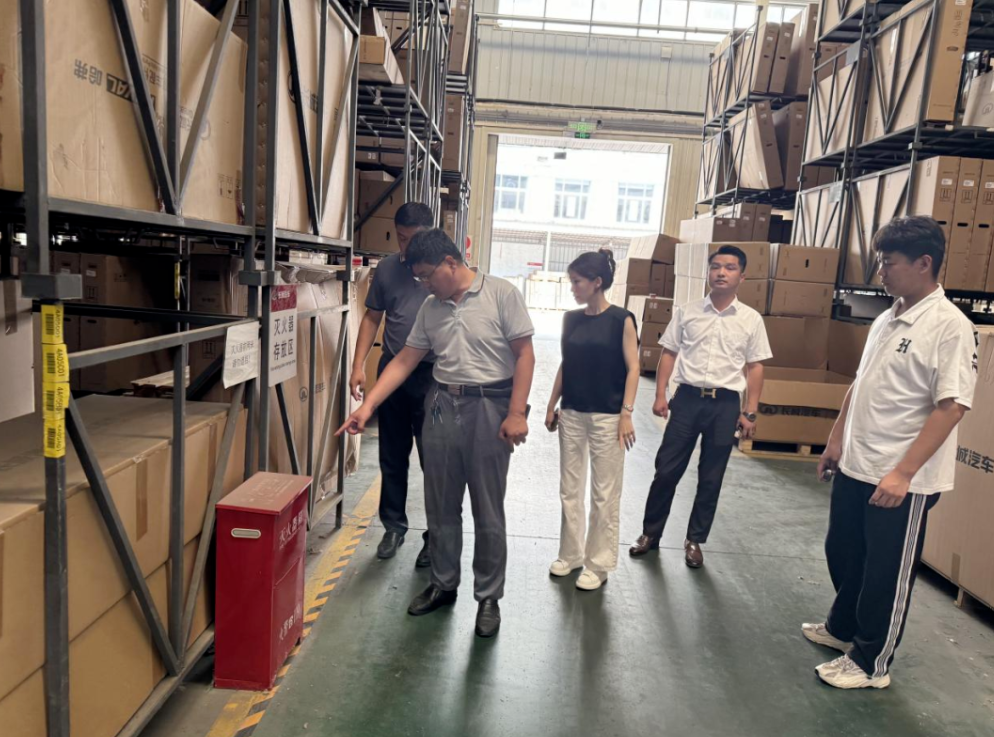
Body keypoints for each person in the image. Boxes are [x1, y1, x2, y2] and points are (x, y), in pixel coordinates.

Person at [803, 216, 977, 690]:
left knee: (885, 571)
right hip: (857, 462)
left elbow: (952, 406)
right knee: (843, 550)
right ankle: (843, 628)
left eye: (889, 262)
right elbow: (861, 384)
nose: (880, 271)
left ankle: (871, 661)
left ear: (924, 263)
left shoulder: (949, 326)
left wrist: (903, 473)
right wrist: (836, 439)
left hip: (900, 476)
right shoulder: (887, 316)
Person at [338, 229, 535, 638]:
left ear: (450, 262)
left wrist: (517, 412)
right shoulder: (432, 307)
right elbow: (404, 360)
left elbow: (525, 355)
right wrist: (368, 406)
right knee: (441, 503)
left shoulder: (501, 294)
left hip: (490, 406)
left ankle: (488, 597)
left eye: (428, 275)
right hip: (443, 404)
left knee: (487, 507)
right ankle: (444, 584)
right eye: (419, 278)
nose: (424, 284)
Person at [630, 245, 771, 567]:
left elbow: (755, 367)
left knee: (711, 476)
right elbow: (669, 352)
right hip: (688, 400)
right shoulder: (687, 311)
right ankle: (650, 534)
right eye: (716, 266)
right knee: (666, 470)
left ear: (742, 276)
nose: (721, 273)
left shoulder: (751, 319)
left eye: (730, 268)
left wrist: (750, 411)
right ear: (708, 272)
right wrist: (660, 394)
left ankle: (694, 539)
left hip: (725, 404)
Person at [545, 249, 640, 591]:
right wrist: (552, 403)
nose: (573, 288)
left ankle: (598, 564)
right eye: (571, 282)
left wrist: (626, 413)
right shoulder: (570, 319)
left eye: (577, 282)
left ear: (597, 282)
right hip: (572, 413)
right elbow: (566, 364)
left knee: (604, 494)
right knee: (569, 489)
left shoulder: (621, 320)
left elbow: (634, 368)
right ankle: (570, 555)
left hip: (608, 417)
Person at [349, 203, 435, 565]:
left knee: (435, 460)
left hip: (434, 376)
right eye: (401, 239)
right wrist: (358, 366)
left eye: (413, 239)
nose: (406, 247)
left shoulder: (440, 269)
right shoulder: (387, 269)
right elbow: (372, 317)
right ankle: (394, 527)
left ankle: (437, 536)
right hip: (393, 372)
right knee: (392, 455)